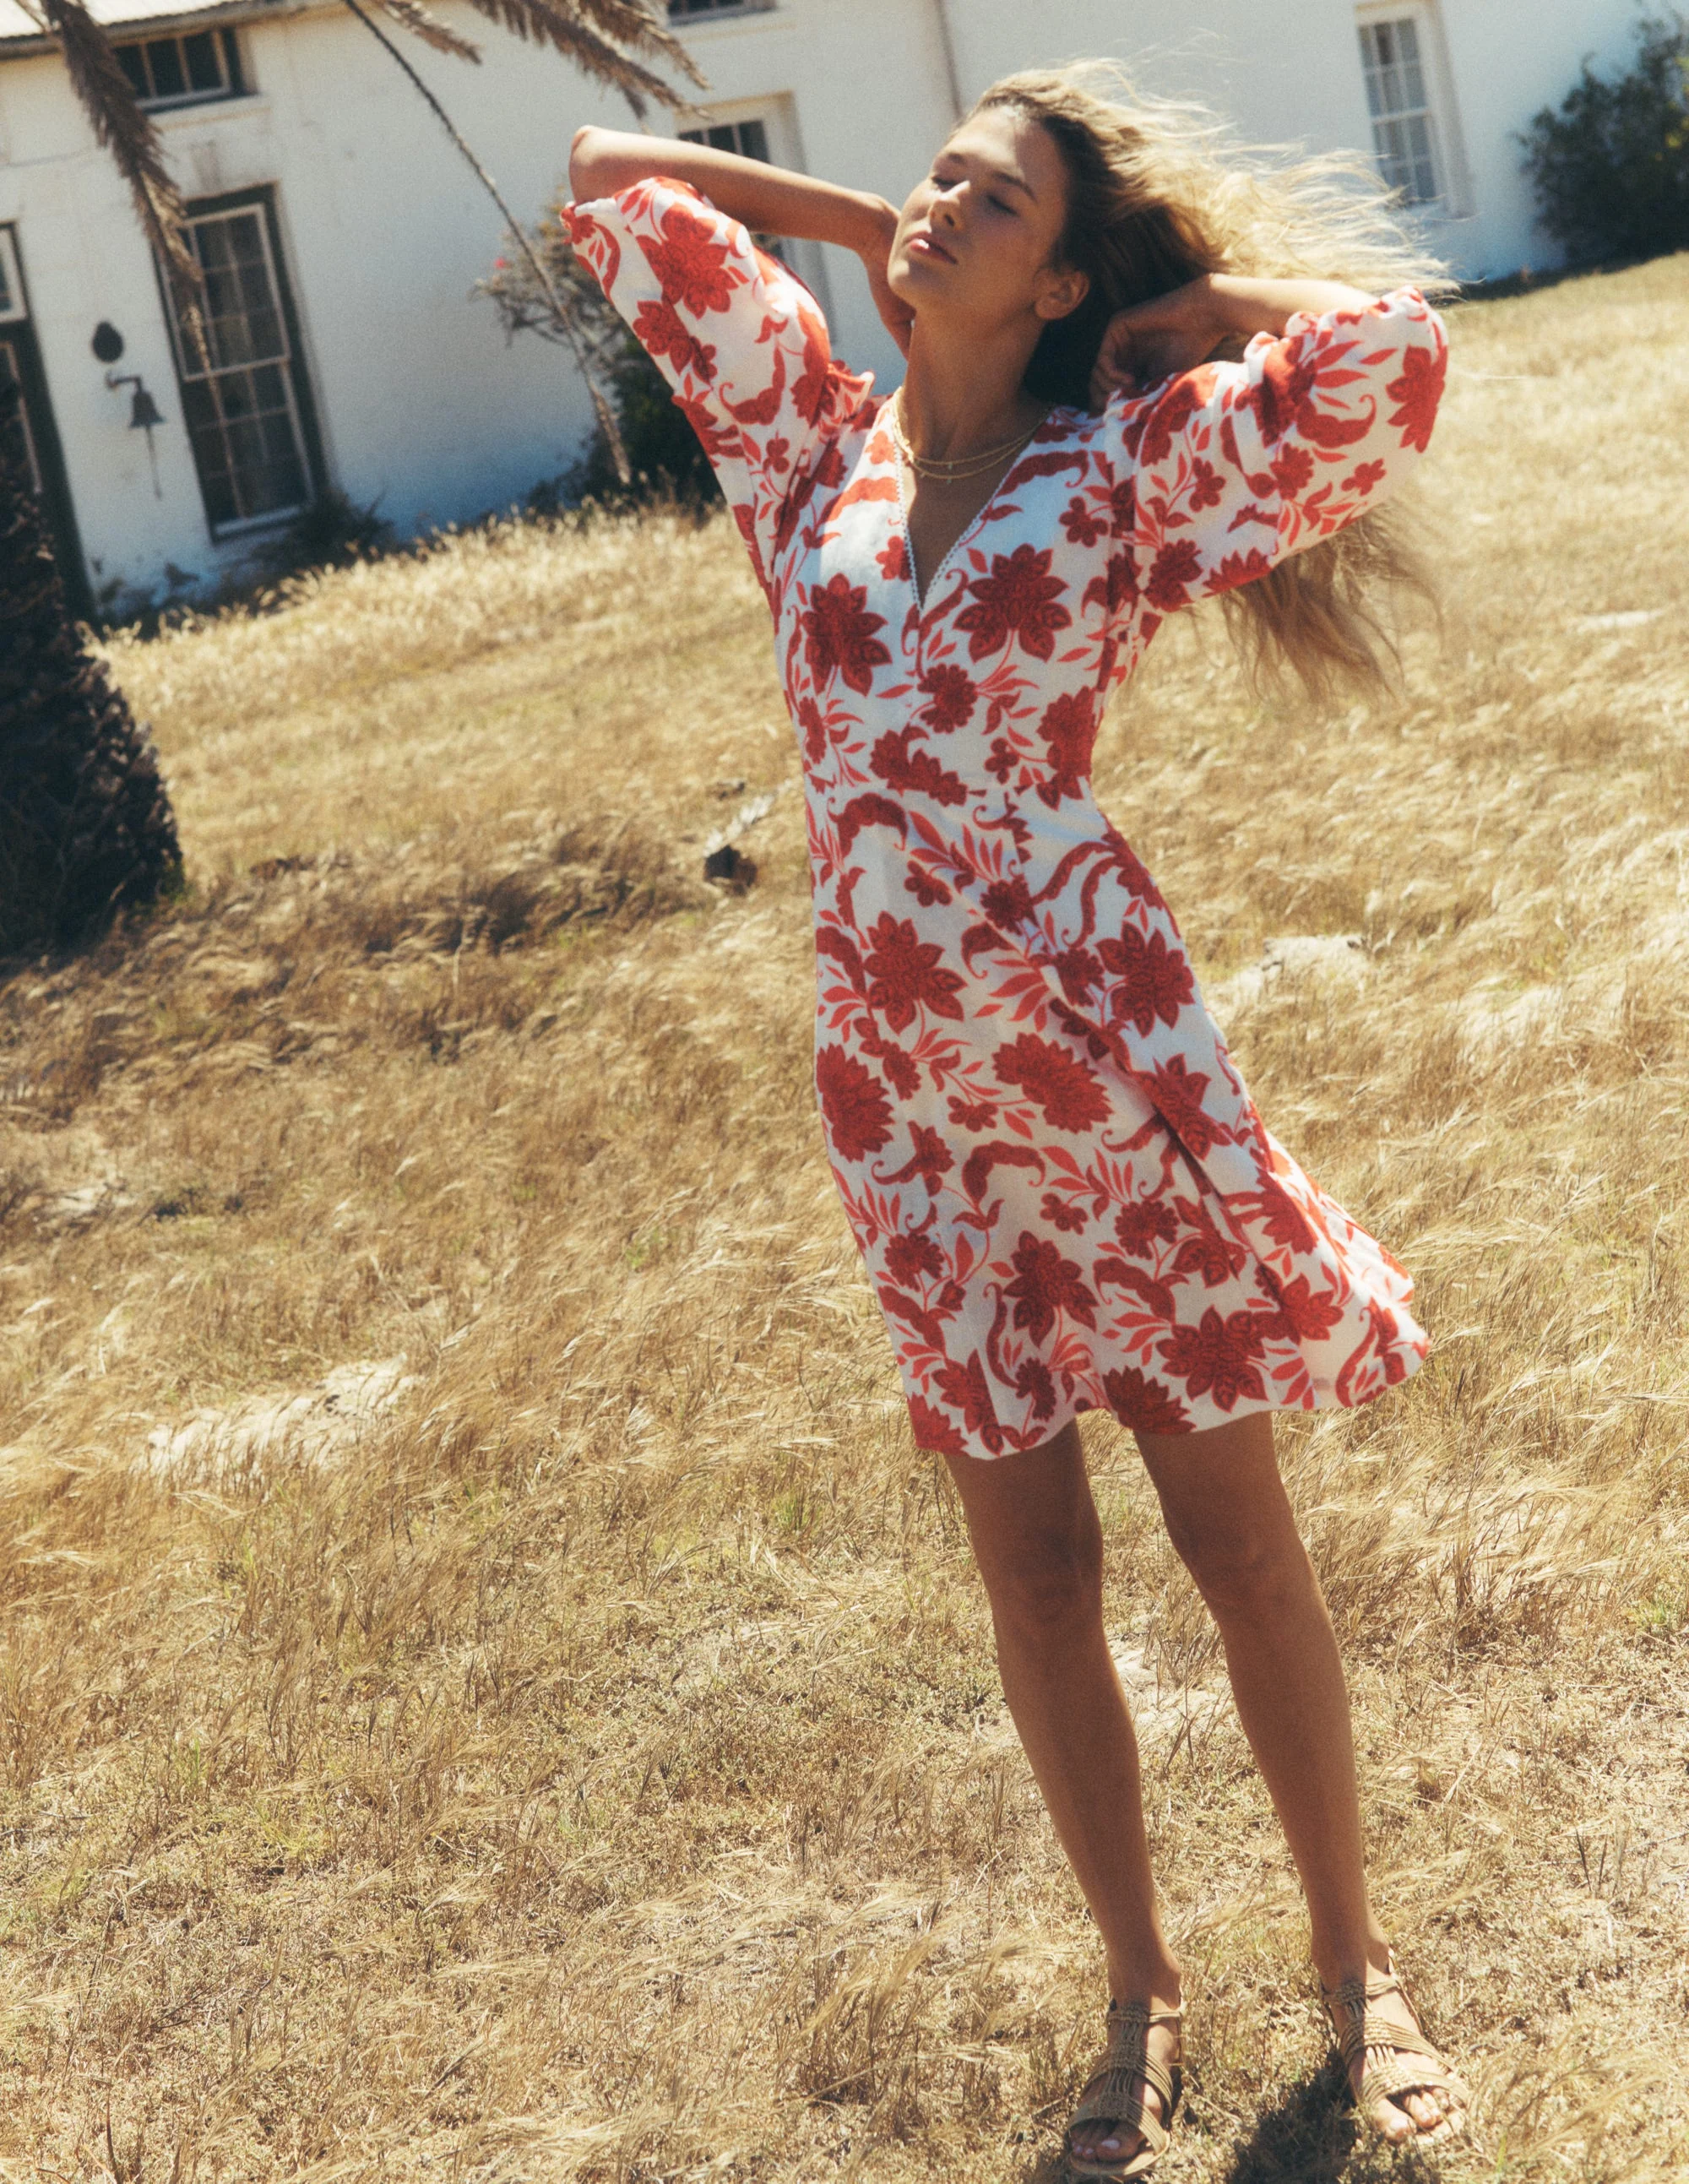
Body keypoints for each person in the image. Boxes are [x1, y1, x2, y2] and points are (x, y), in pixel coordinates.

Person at [568, 62, 1467, 2180]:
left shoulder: (1123, 469)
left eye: (997, 198)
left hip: (1099, 1065)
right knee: (1035, 1572)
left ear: (1061, 273)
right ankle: (1136, 2000)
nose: (941, 202)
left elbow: (1390, 359)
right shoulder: (811, 458)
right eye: (940, 173)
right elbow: (612, 176)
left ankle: (1359, 1978)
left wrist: (1177, 314)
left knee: (1230, 1537)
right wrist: (887, 217)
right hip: (902, 1109)